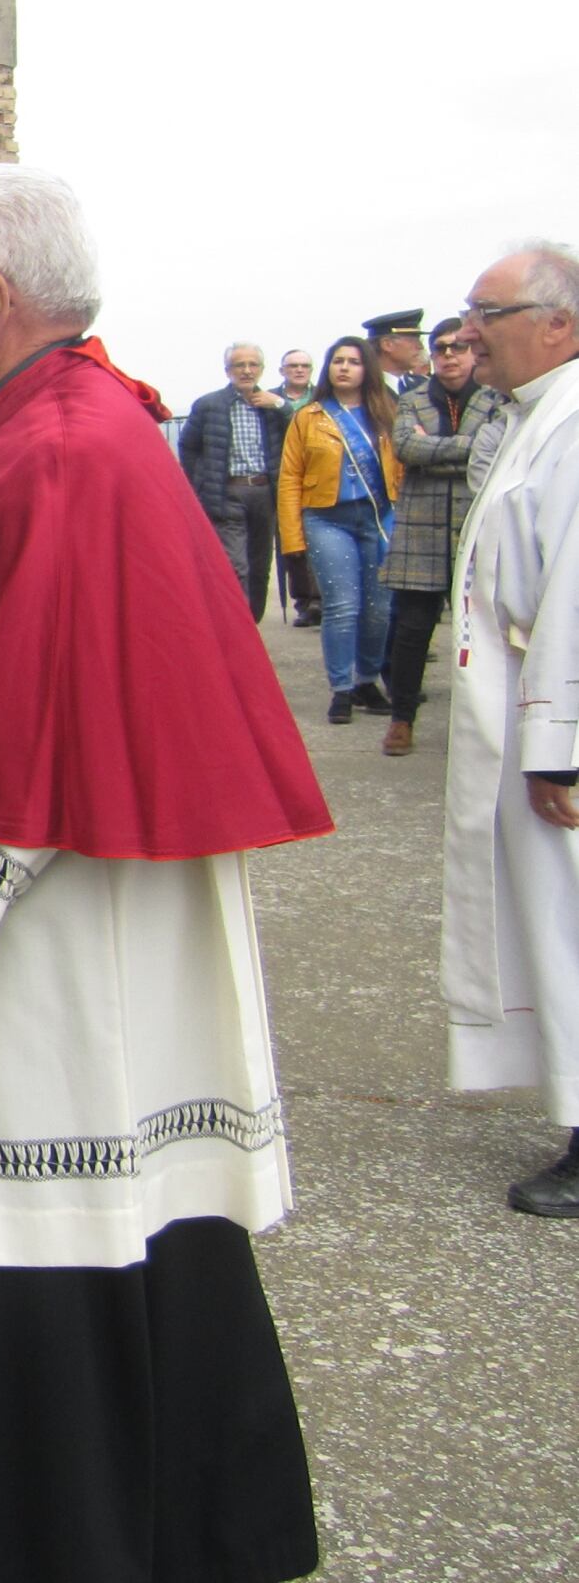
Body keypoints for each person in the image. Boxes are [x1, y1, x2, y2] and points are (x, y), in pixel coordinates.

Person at [0, 162, 325, 1583]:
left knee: (56, 1223)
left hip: (56, 930)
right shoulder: (79, 425)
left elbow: (11, 735)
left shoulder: (49, 455)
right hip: (105, 891)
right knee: (142, 1220)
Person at [443, 240, 579, 1218]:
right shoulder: (537, 415)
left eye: (488, 313)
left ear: (559, 323)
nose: (469, 332)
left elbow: (573, 592)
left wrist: (558, 744)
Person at [382, 317, 508, 755]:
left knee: (480, 632)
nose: (450, 355)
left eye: (457, 347)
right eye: (440, 348)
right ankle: (402, 719)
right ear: (431, 355)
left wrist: (434, 450)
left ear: (472, 352)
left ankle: (480, 723)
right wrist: (469, 446)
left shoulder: (495, 397)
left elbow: (498, 450)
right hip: (421, 529)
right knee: (412, 631)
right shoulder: (412, 398)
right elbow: (405, 448)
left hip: (476, 525)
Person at [278, 336, 405, 722]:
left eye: (353, 361)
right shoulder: (308, 417)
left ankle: (367, 679)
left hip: (378, 516)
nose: (345, 367)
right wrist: (292, 537)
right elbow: (290, 477)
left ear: (367, 369)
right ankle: (341, 688)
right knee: (342, 606)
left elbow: (402, 468)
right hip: (327, 519)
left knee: (379, 608)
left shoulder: (387, 413)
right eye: (338, 361)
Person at [180, 341, 290, 623]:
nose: (246, 370)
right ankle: (236, 624)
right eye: (239, 365)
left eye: (253, 365)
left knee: (260, 564)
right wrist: (199, 486)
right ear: (227, 370)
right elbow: (188, 446)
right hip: (228, 492)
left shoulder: (272, 404)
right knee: (235, 564)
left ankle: (253, 622)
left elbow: (302, 433)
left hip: (265, 492)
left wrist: (280, 405)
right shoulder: (209, 405)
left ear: (262, 369)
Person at [274, 349, 323, 624]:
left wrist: (279, 406)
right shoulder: (266, 397)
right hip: (280, 477)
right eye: (293, 366)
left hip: (316, 477)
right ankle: (303, 601)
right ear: (282, 370)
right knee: (290, 543)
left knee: (315, 540)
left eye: (305, 365)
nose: (299, 370)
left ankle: (318, 600)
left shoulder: (322, 398)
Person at [365, 306, 428, 395]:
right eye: (412, 340)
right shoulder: (363, 389)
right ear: (387, 344)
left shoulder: (424, 386)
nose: (420, 346)